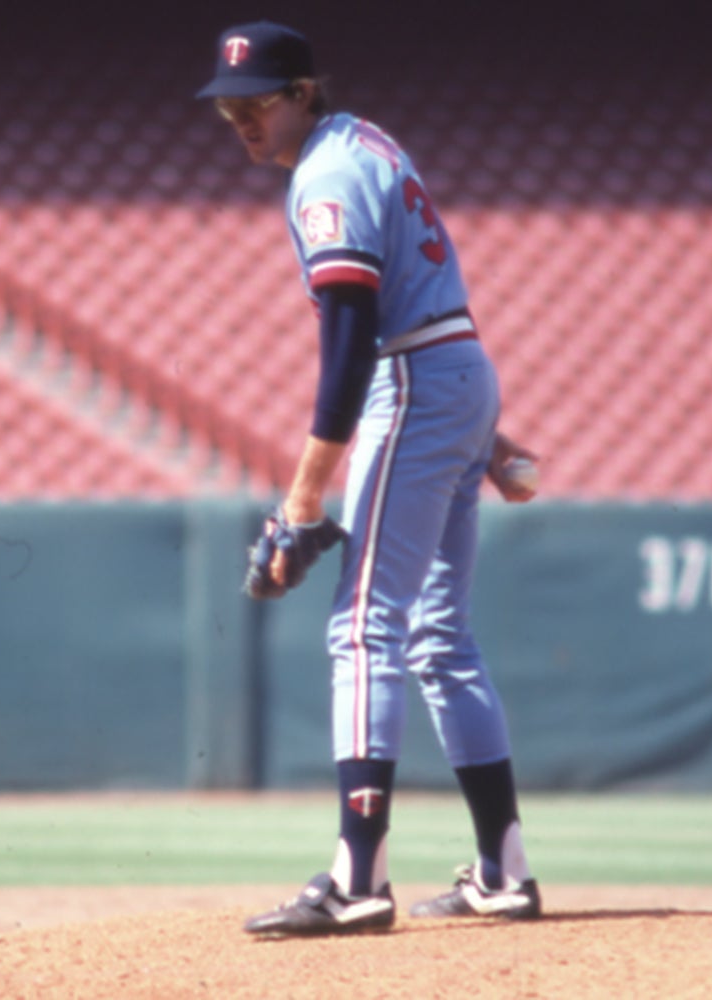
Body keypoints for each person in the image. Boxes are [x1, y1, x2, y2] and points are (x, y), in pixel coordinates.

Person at [197, 20, 541, 935]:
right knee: (437, 635)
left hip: (418, 379)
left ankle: (357, 880)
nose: (239, 119)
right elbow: (411, 305)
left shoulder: (328, 172)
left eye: (257, 101)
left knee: (362, 629)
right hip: (455, 370)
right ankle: (502, 871)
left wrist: (304, 495)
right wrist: (487, 431)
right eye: (227, 106)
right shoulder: (367, 142)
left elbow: (349, 340)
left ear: (305, 91)